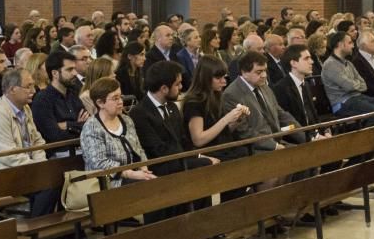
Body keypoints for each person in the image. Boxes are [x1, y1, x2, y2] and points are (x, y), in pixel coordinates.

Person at [0, 70, 57, 239]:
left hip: (24, 170)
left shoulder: (25, 109)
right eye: (28, 86)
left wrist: (40, 165)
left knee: (55, 179)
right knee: (47, 186)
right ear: (13, 90)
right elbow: (8, 155)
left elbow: (37, 141)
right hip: (0, 175)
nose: (33, 90)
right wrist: (37, 169)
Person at [129, 61, 216, 222]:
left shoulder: (172, 107)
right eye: (177, 84)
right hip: (159, 165)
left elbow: (184, 141)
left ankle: (203, 225)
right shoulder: (140, 113)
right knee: (203, 165)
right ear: (163, 88)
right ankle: (202, 225)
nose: (181, 87)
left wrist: (196, 156)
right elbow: (157, 149)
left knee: (205, 165)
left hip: (176, 161)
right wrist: (195, 159)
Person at [80, 78, 155, 189]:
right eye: (115, 98)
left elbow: (139, 149)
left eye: (120, 96)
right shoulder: (92, 127)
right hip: (108, 183)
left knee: (158, 184)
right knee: (148, 188)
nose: (120, 101)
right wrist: (131, 174)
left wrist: (144, 169)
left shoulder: (126, 120)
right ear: (100, 103)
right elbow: (100, 163)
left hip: (134, 177)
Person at [222, 51, 300, 154]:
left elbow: (282, 115)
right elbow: (244, 132)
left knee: (310, 154)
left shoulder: (264, 86)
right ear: (244, 72)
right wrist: (275, 146)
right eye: (259, 72)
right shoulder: (231, 94)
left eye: (265, 71)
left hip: (277, 141)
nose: (264, 75)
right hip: (255, 149)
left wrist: (308, 136)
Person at [322, 32, 374, 124]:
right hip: (342, 103)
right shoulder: (330, 64)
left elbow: (364, 85)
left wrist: (355, 85)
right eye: (349, 43)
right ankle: (369, 138)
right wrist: (356, 85)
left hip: (357, 97)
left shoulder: (349, 63)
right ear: (340, 44)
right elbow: (349, 86)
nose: (353, 46)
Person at [33, 50, 89, 145]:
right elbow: (55, 136)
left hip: (80, 147)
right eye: (69, 69)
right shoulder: (42, 99)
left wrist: (67, 125)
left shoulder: (74, 93)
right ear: (55, 73)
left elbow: (88, 126)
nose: (75, 73)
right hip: (59, 154)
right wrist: (77, 125)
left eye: (75, 69)